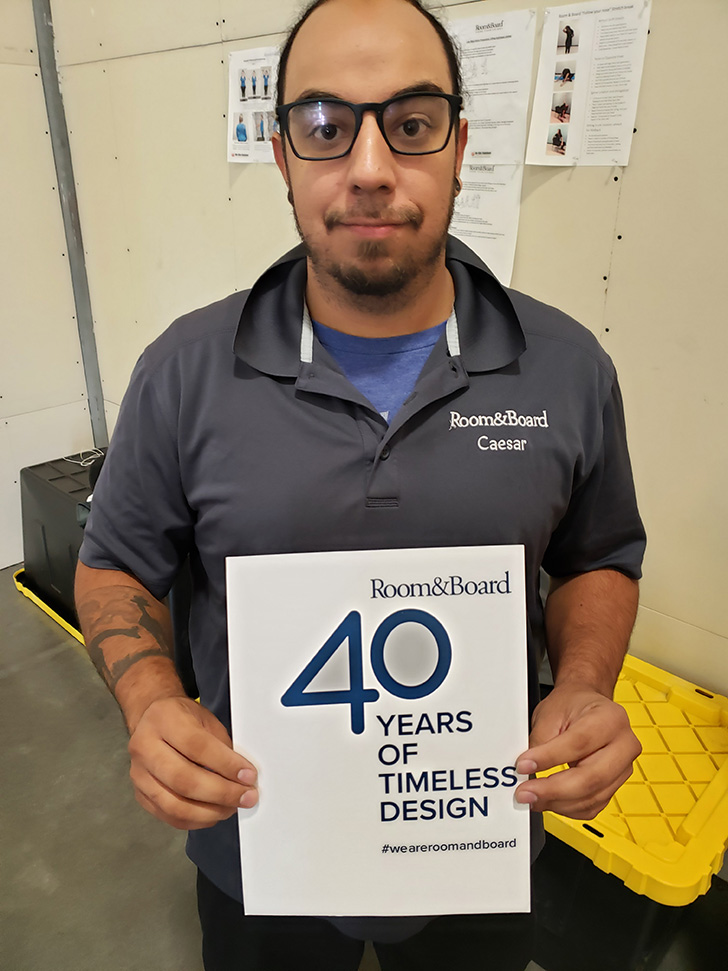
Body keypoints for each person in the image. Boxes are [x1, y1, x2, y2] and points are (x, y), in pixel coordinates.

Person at [75, 1, 645, 969]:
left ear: (460, 144)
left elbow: (597, 554)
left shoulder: (565, 369)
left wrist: (584, 684)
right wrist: (150, 701)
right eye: (326, 127)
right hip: (258, 848)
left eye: (411, 124)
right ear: (281, 150)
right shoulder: (184, 371)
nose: (370, 168)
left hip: (476, 840)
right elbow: (116, 562)